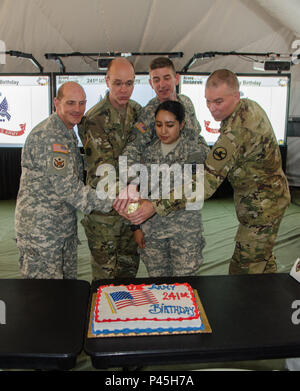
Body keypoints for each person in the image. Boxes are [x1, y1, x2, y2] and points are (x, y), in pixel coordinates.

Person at [115, 69, 291, 275]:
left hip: (262, 208)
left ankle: (253, 305)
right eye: (208, 101)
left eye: (218, 102)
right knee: (263, 260)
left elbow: (205, 184)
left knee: (245, 269)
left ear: (236, 96)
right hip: (262, 200)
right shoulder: (246, 107)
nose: (212, 109)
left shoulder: (236, 132)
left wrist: (155, 206)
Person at [15, 82, 112, 279]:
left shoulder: (66, 131)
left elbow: (72, 168)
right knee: (44, 296)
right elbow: (68, 188)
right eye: (70, 103)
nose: (77, 109)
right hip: (41, 233)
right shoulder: (49, 135)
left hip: (61, 228)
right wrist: (114, 201)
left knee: (65, 292)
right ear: (56, 102)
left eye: (82, 103)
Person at [119, 56, 209, 218]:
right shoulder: (149, 113)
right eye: (156, 80)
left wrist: (205, 158)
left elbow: (196, 136)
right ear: (150, 83)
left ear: (176, 78)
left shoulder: (186, 103)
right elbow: (132, 149)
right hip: (160, 195)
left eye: (166, 78)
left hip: (186, 193)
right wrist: (132, 184)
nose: (162, 85)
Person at [77, 58, 141, 280]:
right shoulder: (95, 119)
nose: (124, 90)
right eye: (117, 83)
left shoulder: (137, 111)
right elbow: (102, 173)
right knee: (105, 280)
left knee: (128, 271)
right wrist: (134, 196)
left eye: (129, 83)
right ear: (106, 81)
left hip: (129, 213)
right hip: (104, 215)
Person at [132, 100, 207, 276]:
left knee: (185, 285)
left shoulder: (194, 153)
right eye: (158, 125)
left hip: (185, 232)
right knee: (158, 286)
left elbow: (193, 190)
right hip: (153, 233)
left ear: (181, 125)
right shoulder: (147, 153)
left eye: (170, 125)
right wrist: (135, 227)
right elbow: (137, 192)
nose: (163, 131)